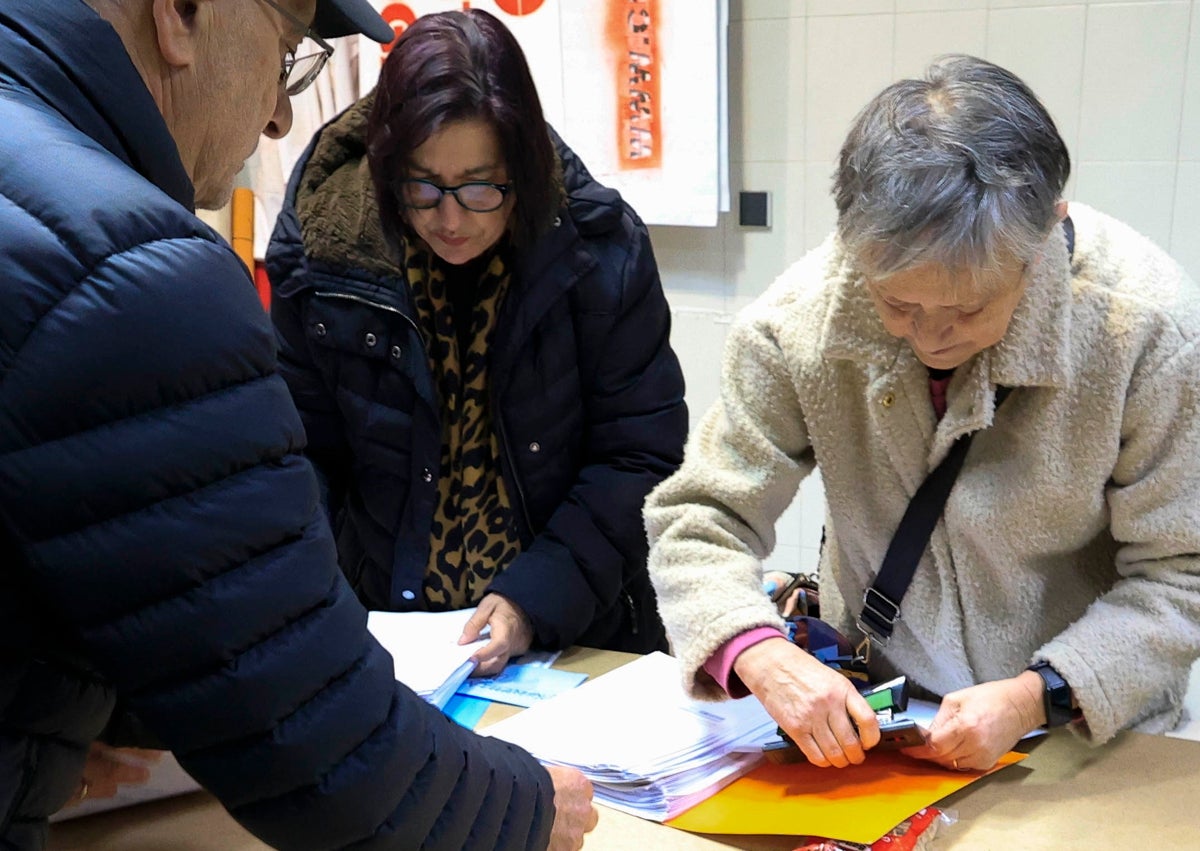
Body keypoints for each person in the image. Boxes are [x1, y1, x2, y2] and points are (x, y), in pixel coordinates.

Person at [0, 1, 597, 849]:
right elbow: (320, 748)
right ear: (180, 14)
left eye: (480, 187)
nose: (281, 110)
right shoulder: (133, 269)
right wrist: (526, 807)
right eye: (286, 52)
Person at [645, 54, 1200, 774]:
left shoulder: (1146, 331)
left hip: (1084, 732)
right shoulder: (797, 326)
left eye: (970, 308)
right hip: (883, 727)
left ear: (1044, 240)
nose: (933, 337)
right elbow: (700, 519)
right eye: (898, 306)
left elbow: (1182, 573)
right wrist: (757, 652)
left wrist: (1042, 694)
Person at [266, 9, 687, 676]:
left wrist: (534, 598)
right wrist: (313, 604)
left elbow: (639, 456)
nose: (452, 219)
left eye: (481, 186)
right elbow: (297, 450)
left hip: (570, 636)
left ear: (521, 165)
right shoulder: (324, 246)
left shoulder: (597, 250)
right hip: (385, 635)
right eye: (424, 186)